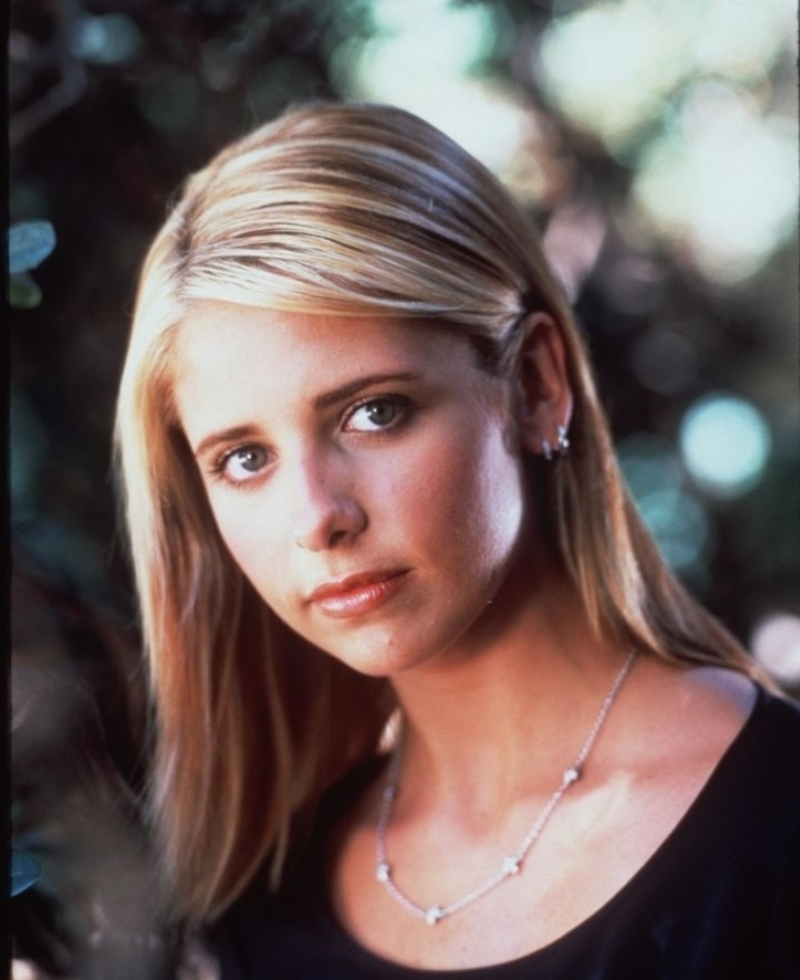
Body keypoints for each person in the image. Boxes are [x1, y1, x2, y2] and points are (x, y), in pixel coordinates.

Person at [114, 103, 800, 978]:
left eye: (373, 412)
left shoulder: (777, 831)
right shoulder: (260, 905)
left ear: (536, 386)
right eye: (244, 458)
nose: (317, 516)